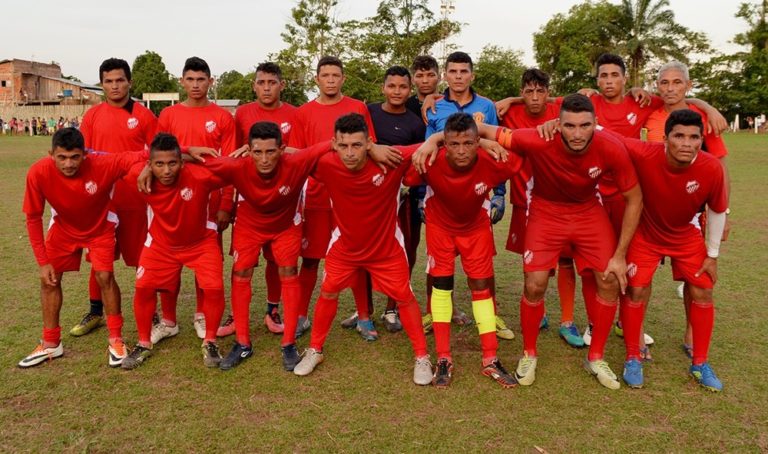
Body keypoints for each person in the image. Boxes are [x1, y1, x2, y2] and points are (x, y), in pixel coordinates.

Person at [459, 94, 643, 390]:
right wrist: (472, 142)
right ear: (558, 124)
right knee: (535, 283)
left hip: (588, 212)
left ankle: (596, 356)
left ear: (596, 124)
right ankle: (529, 353)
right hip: (546, 211)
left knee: (609, 279)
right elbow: (476, 128)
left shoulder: (610, 146)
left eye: (585, 125)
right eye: (569, 126)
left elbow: (634, 198)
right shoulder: (537, 138)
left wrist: (620, 254)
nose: (578, 133)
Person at [293, 113, 432, 385]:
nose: (350, 153)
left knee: (404, 296)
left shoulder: (391, 158)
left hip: (385, 247)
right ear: (334, 144)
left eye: (357, 145)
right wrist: (327, 146)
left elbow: (438, 143)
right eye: (343, 145)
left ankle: (422, 356)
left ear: (369, 142)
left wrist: (431, 139)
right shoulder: (326, 163)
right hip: (345, 246)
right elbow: (294, 156)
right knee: (328, 291)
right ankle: (315, 349)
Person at [406, 113, 522, 388]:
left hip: (476, 228)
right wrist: (431, 140)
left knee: (481, 287)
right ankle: (444, 357)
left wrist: (485, 142)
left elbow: (525, 147)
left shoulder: (492, 159)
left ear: (477, 141)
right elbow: (398, 157)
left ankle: (490, 359)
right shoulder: (429, 159)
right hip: (440, 228)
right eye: (454, 144)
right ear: (444, 143)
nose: (461, 150)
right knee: (442, 287)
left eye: (468, 143)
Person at [615, 110, 728, 391]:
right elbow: (607, 135)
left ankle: (700, 363)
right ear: (665, 139)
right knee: (636, 289)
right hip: (646, 233)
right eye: (679, 136)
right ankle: (632, 357)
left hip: (684, 235)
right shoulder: (645, 152)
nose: (687, 143)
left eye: (694, 137)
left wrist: (712, 256)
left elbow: (716, 211)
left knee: (703, 288)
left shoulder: (712, 168)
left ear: (702, 140)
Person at [19, 128, 148, 368]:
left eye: (75, 157)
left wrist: (187, 150)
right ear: (51, 154)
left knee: (105, 276)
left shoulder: (104, 163)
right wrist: (42, 262)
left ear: (85, 154)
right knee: (49, 280)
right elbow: (33, 217)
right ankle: (51, 344)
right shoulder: (38, 172)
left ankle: (116, 340)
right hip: (64, 227)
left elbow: (145, 154)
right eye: (62, 157)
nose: (68, 164)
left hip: (100, 227)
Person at [643, 60, 731, 358]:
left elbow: (719, 167)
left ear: (688, 85)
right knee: (641, 278)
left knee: (697, 279)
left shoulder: (702, 119)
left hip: (692, 213)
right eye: (664, 83)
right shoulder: (650, 113)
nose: (670, 88)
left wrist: (724, 212)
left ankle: (692, 334)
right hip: (651, 212)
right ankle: (636, 333)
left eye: (677, 82)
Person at [422, 51, 512, 339]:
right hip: (440, 192)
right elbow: (427, 151)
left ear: (472, 75)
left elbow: (495, 145)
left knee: (483, 260)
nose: (458, 76)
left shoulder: (486, 106)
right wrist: (420, 195)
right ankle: (433, 312)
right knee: (436, 260)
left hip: (477, 192)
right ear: (445, 75)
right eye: (453, 71)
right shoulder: (435, 106)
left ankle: (491, 313)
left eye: (464, 71)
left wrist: (499, 193)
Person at [288, 56, 378, 340]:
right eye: (324, 75)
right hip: (316, 195)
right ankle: (301, 315)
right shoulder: (303, 113)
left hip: (352, 196)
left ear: (343, 78)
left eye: (335, 75)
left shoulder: (357, 108)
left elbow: (371, 146)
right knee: (311, 259)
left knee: (357, 259)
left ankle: (364, 317)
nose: (330, 80)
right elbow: (297, 155)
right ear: (317, 79)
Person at [121, 133, 228, 369]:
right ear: (149, 165)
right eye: (159, 164)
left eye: (172, 163)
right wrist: (181, 151)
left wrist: (191, 154)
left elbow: (230, 169)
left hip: (200, 242)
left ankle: (210, 340)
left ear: (182, 162)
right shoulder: (138, 177)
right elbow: (122, 160)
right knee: (143, 287)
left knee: (214, 287)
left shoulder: (200, 175)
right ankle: (143, 342)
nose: (166, 170)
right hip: (161, 244)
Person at [499, 68, 588, 347]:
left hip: (561, 200)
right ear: (522, 93)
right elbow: (475, 106)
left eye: (540, 91)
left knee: (565, 260)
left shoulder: (560, 109)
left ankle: (567, 321)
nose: (535, 97)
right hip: (525, 201)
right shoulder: (509, 113)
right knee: (533, 262)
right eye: (528, 92)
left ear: (549, 93)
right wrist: (513, 100)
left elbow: (587, 98)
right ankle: (541, 313)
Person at [71, 58, 158, 338]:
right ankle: (96, 311)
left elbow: (158, 154)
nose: (115, 86)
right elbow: (81, 157)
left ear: (129, 82)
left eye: (120, 80)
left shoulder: (144, 116)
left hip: (135, 200)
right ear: (102, 84)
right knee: (99, 260)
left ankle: (152, 314)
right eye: (108, 81)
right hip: (102, 201)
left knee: (142, 258)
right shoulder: (93, 116)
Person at [157, 56, 236, 341]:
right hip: (170, 199)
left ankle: (203, 314)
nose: (195, 85)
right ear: (181, 81)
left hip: (209, 201)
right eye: (190, 79)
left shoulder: (224, 118)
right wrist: (190, 153)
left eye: (201, 79)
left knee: (208, 262)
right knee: (168, 260)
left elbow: (228, 167)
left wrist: (226, 204)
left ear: (210, 82)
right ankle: (168, 319)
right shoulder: (168, 116)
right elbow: (156, 157)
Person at [233, 62, 297, 336]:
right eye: (261, 82)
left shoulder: (295, 114)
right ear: (254, 85)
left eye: (272, 82)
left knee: (278, 259)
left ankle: (272, 307)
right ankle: (236, 317)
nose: (267, 87)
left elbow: (299, 153)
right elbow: (234, 155)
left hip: (284, 198)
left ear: (281, 85)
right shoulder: (243, 113)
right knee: (241, 263)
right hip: (250, 198)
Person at [366, 65, 426, 334]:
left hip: (405, 196)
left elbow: (417, 160)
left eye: (403, 87)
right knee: (365, 249)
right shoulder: (369, 112)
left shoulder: (415, 122)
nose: (397, 91)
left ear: (409, 89)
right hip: (370, 196)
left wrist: (408, 185)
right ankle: (363, 308)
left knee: (405, 250)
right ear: (383, 88)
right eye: (392, 86)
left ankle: (392, 307)